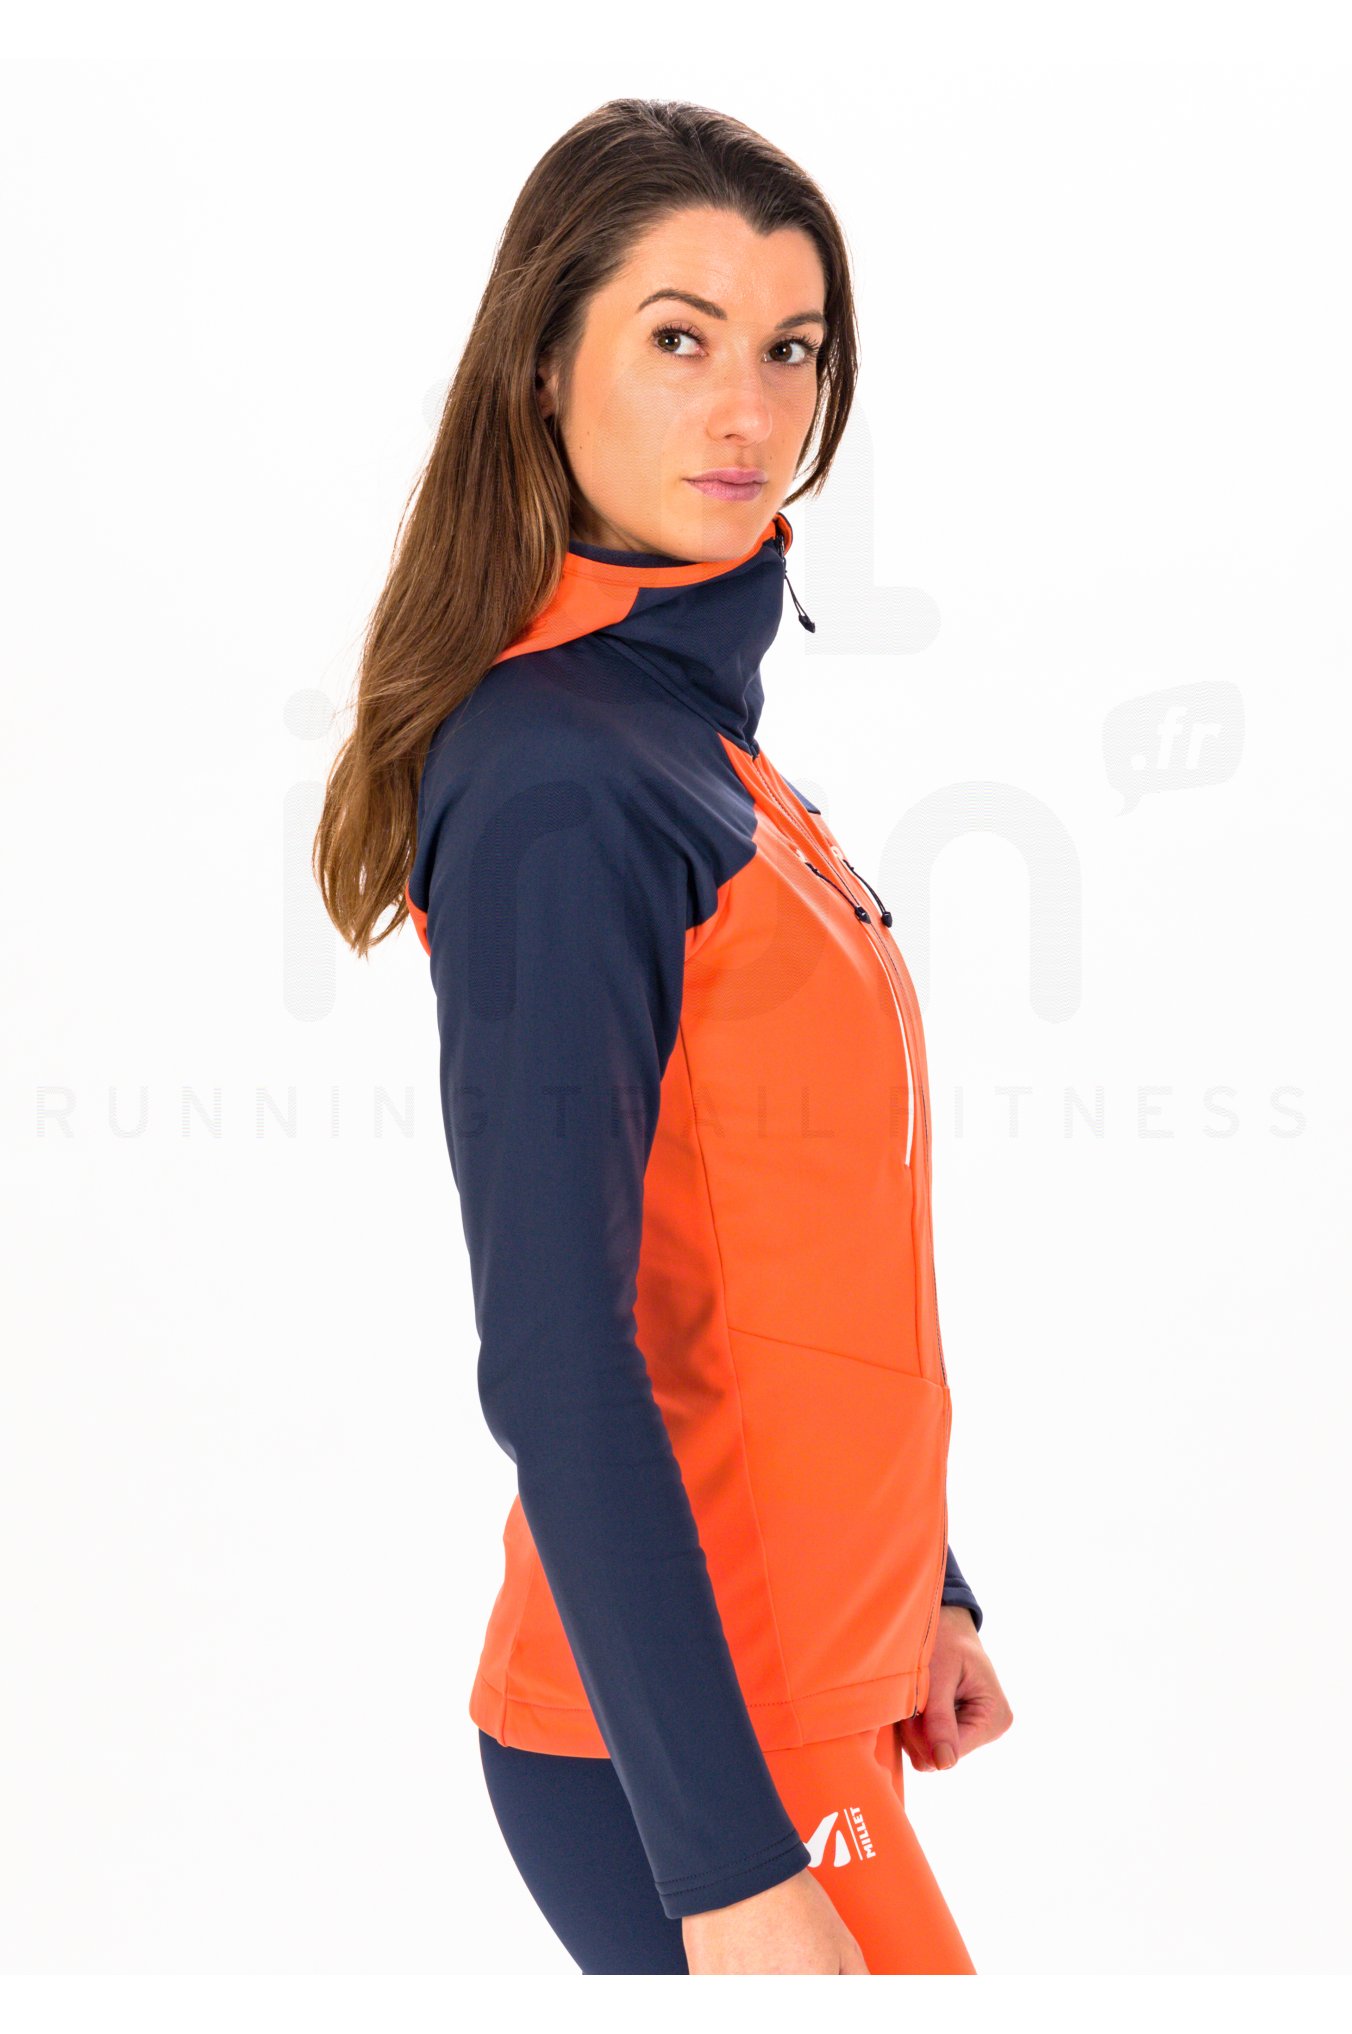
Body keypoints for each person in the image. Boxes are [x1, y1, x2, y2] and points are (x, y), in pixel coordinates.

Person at [315, 96, 1013, 1976]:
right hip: (694, 1747)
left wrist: (927, 1583)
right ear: (547, 366)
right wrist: (721, 1859)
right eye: (681, 338)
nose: (749, 410)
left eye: (792, 349)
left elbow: (796, 1243)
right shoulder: (559, 778)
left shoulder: (698, 755)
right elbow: (558, 1351)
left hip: (801, 1677)